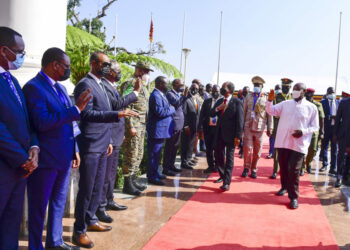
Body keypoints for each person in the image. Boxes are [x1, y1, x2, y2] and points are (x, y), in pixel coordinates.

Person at [23, 47, 91, 250]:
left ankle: (56, 241)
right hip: (45, 159)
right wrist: (76, 109)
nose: (68, 70)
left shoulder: (61, 88)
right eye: (66, 66)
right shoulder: (34, 87)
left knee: (58, 203)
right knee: (38, 207)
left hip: (64, 157)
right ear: (55, 65)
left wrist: (74, 149)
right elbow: (42, 122)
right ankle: (36, 246)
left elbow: (70, 123)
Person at [73, 51, 138, 248]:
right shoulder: (86, 84)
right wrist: (117, 114)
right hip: (91, 144)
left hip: (103, 143)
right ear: (94, 64)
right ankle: (79, 230)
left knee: (97, 187)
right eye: (105, 64)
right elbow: (88, 114)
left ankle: (91, 219)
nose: (108, 68)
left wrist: (109, 139)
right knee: (87, 189)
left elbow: (106, 109)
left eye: (109, 64)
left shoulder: (101, 84)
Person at [0, 26, 39, 249]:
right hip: (6, 166)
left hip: (19, 169)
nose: (22, 56)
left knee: (10, 226)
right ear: (4, 50)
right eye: (19, 51)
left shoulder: (12, 81)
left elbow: (26, 120)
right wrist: (21, 157)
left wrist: (34, 146)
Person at [96, 60, 140, 223]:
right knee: (106, 174)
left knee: (112, 172)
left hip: (116, 134)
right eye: (118, 70)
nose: (119, 73)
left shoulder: (111, 86)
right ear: (110, 72)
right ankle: (101, 206)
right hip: (109, 135)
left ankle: (109, 200)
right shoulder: (105, 86)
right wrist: (134, 94)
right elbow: (117, 105)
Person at [266, 83, 319, 209]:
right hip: (283, 142)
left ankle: (293, 197)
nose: (295, 91)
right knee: (283, 168)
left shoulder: (311, 107)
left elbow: (315, 126)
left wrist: (303, 132)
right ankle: (284, 186)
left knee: (294, 170)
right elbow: (271, 111)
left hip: (299, 144)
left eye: (297, 89)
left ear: (304, 91)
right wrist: (269, 101)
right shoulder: (286, 104)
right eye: (293, 89)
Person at [120, 61, 152, 195]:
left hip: (141, 125)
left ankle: (133, 180)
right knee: (131, 154)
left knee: (139, 154)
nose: (147, 74)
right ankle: (127, 184)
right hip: (133, 125)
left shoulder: (143, 86)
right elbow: (126, 106)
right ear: (138, 70)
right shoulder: (130, 83)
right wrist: (130, 126)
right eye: (145, 71)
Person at [211, 81, 243, 191]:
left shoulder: (237, 102)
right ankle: (222, 175)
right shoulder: (220, 101)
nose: (222, 89)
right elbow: (211, 113)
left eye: (224, 87)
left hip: (231, 135)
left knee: (229, 158)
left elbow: (240, 120)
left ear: (229, 89)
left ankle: (227, 182)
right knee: (218, 155)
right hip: (219, 133)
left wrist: (238, 136)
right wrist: (218, 108)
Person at [241, 76, 272, 179]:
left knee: (258, 151)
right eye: (255, 85)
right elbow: (244, 111)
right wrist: (241, 126)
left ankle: (254, 169)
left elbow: (269, 114)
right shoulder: (248, 97)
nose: (256, 87)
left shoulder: (266, 98)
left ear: (262, 87)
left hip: (260, 127)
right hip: (248, 126)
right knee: (247, 149)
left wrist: (270, 128)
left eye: (258, 85)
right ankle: (246, 168)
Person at [147, 76, 175, 185]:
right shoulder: (155, 95)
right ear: (159, 84)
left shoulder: (161, 94)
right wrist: (172, 109)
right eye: (166, 83)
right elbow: (160, 112)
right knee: (153, 155)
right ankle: (152, 177)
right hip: (156, 130)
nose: (167, 86)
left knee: (157, 154)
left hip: (161, 130)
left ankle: (156, 173)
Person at [162, 79, 188, 176]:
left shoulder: (177, 94)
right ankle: (166, 167)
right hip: (173, 124)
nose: (182, 86)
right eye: (181, 84)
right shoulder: (170, 94)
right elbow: (177, 104)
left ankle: (171, 165)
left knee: (175, 146)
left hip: (179, 125)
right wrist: (184, 96)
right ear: (175, 84)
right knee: (170, 147)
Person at [270, 78, 293, 179]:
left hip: (291, 126)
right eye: (283, 87)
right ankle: (275, 170)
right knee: (277, 149)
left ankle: (287, 168)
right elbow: (272, 111)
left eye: (287, 87)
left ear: (290, 88)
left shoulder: (293, 98)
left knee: (290, 148)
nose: (285, 89)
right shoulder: (276, 97)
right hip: (278, 125)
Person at [301, 88, 324, 175]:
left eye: (310, 93)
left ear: (313, 94)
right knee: (303, 149)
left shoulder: (318, 105)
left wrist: (322, 132)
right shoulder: (302, 104)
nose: (308, 95)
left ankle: (308, 163)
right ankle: (302, 167)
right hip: (303, 130)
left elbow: (322, 118)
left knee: (313, 149)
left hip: (314, 131)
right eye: (307, 93)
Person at [199, 85, 221, 173]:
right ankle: (210, 166)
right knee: (209, 148)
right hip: (208, 128)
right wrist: (200, 126)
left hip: (217, 129)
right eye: (214, 91)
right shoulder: (207, 101)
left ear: (219, 92)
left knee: (217, 148)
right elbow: (202, 114)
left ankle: (217, 166)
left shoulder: (222, 101)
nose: (215, 93)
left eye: (217, 91)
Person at [181, 82, 201, 170]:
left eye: (196, 89)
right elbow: (184, 113)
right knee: (185, 144)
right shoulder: (186, 99)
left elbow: (198, 113)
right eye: (193, 88)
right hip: (188, 126)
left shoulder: (196, 99)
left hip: (195, 126)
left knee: (191, 144)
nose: (194, 90)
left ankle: (188, 159)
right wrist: (185, 126)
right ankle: (184, 162)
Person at [320, 87, 339, 175]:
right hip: (326, 128)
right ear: (327, 93)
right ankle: (324, 164)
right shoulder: (323, 103)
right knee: (324, 147)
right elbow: (321, 116)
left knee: (334, 148)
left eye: (333, 92)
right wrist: (329, 116)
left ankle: (333, 167)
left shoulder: (339, 103)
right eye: (330, 92)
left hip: (335, 129)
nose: (332, 94)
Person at [333, 95, 350, 187]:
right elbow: (338, 119)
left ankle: (346, 176)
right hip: (344, 135)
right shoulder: (344, 102)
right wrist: (335, 134)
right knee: (341, 156)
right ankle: (339, 177)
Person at [267, 84, 281, 159]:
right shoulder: (272, 96)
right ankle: (271, 152)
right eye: (277, 88)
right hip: (273, 121)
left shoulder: (284, 97)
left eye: (279, 88)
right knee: (272, 139)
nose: (278, 90)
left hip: (281, 121)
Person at [238, 86, 250, 158]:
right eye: (244, 91)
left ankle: (243, 151)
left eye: (247, 91)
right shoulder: (239, 99)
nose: (245, 93)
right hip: (240, 120)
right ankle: (241, 147)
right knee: (240, 136)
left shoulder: (250, 99)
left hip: (247, 121)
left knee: (245, 137)